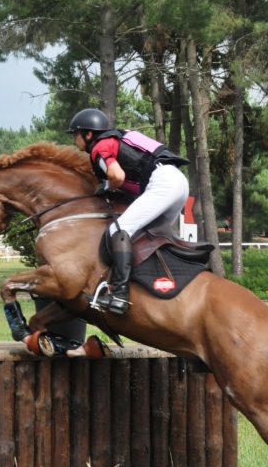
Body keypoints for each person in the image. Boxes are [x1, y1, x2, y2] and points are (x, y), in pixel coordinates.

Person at [68, 108, 190, 314]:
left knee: (120, 229)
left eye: (76, 135)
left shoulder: (99, 147)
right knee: (153, 237)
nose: (74, 140)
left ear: (88, 134)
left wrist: (106, 187)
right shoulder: (119, 135)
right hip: (178, 182)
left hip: (162, 184)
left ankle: (120, 296)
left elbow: (117, 175)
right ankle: (164, 281)